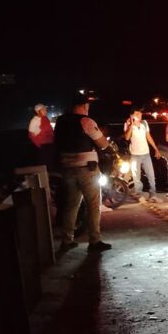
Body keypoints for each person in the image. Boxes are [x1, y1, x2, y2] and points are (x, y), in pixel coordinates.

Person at [54, 91, 112, 252]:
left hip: (67, 169)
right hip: (87, 169)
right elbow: (102, 144)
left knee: (71, 206)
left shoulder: (60, 121)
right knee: (93, 205)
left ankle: (67, 240)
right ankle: (94, 241)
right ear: (85, 105)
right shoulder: (86, 121)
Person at [124, 109, 161, 202]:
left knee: (151, 175)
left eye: (140, 114)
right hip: (135, 155)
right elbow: (127, 137)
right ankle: (139, 194)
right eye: (137, 114)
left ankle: (153, 194)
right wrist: (131, 125)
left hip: (146, 153)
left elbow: (148, 136)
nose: (140, 116)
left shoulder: (144, 124)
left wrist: (156, 149)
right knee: (137, 176)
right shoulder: (128, 125)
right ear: (132, 115)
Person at [28, 103, 57, 168]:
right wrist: (39, 145)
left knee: (51, 164)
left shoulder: (45, 118)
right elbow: (31, 135)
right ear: (38, 111)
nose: (46, 111)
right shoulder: (34, 120)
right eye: (44, 110)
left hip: (50, 144)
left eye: (45, 110)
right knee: (44, 164)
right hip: (43, 146)